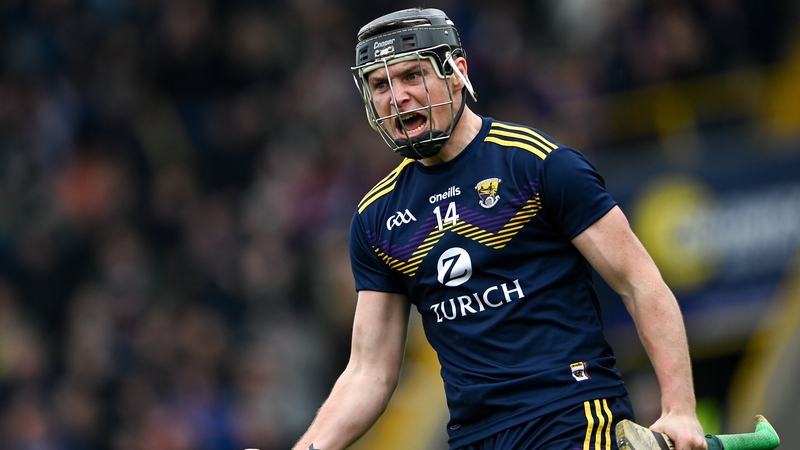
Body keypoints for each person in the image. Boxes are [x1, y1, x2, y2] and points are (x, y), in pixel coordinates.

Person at [293, 7, 707, 450]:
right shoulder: (376, 217)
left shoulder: (537, 164)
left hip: (573, 416)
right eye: (381, 84)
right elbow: (369, 371)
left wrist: (680, 409)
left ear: (458, 72)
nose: (397, 97)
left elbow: (640, 283)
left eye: (412, 75)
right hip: (475, 437)